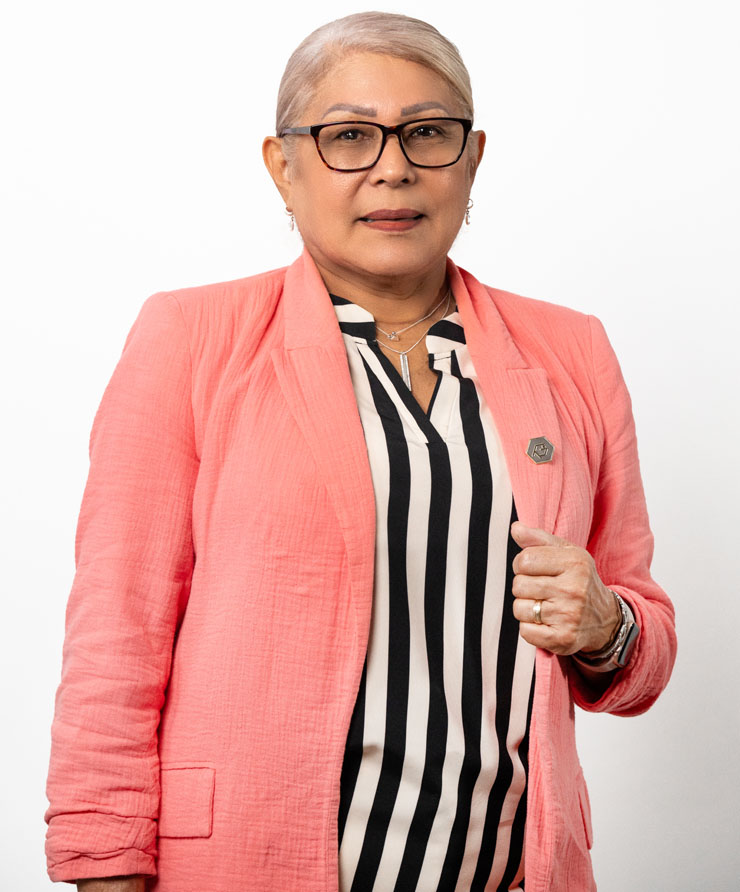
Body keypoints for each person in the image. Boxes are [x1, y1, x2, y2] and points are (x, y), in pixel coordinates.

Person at [44, 11, 677, 892]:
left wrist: (608, 625)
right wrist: (104, 859)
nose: (393, 167)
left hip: (504, 873)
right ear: (283, 165)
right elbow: (117, 629)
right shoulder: (191, 338)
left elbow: (643, 641)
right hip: (251, 866)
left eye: (428, 133)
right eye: (348, 136)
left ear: (472, 157)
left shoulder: (572, 352)